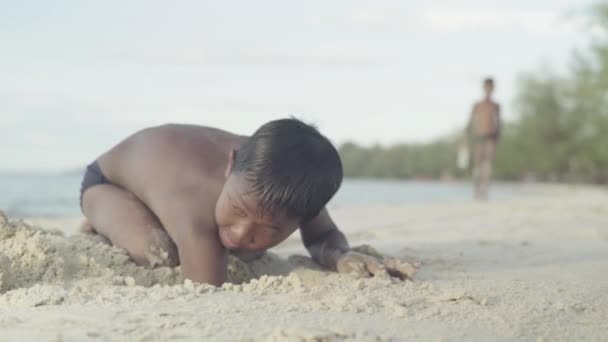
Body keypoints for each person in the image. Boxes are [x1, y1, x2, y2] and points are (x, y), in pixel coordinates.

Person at [79, 118, 413, 286]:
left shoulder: (285, 188)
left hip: (167, 190)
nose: (239, 233)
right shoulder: (195, 195)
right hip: (108, 183)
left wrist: (339, 255)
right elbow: (205, 287)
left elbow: (322, 235)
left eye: (269, 228)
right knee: (162, 254)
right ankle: (98, 224)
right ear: (230, 165)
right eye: (237, 211)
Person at [467, 78, 501, 200]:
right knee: (477, 164)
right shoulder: (477, 105)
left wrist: (497, 138)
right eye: (487, 87)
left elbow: (498, 123)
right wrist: (467, 139)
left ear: (493, 89)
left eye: (490, 87)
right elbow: (470, 122)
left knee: (487, 164)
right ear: (483, 88)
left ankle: (485, 190)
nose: (488, 89)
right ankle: (476, 190)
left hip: (491, 136)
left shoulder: (495, 105)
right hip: (479, 136)